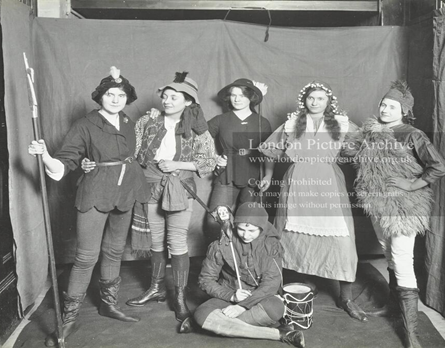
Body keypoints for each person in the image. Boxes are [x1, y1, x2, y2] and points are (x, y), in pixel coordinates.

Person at [28, 67, 151, 346]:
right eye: (110, 94)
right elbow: (67, 160)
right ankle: (68, 319)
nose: (116, 99)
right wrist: (46, 155)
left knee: (115, 250)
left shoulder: (128, 122)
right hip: (95, 191)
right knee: (86, 257)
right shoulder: (85, 124)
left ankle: (109, 304)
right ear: (100, 97)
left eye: (121, 95)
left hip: (127, 189)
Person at [340, 81, 445, 348]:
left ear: (404, 110)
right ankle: (391, 307)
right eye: (383, 104)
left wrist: (412, 184)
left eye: (392, 106)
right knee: (387, 251)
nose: (385, 109)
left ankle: (411, 333)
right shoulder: (371, 131)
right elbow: (355, 157)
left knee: (402, 259)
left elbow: (440, 166)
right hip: (377, 203)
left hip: (403, 205)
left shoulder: (412, 134)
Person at [259, 81, 368, 321]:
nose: (315, 102)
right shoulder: (291, 123)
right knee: (291, 237)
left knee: (341, 241)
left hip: (329, 183)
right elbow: (270, 149)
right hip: (297, 183)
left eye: (320, 98)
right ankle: (295, 284)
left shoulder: (342, 124)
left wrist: (365, 177)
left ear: (329, 102)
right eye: (311, 98)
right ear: (304, 100)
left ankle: (346, 297)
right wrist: (268, 175)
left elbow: (364, 148)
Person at [124, 72, 217, 322]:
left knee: (176, 242)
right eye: (164, 96)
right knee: (156, 241)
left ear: (187, 102)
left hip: (179, 186)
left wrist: (179, 164)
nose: (166, 101)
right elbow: (132, 152)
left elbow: (209, 162)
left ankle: (178, 295)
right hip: (150, 184)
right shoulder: (147, 121)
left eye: (173, 97)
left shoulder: (198, 130)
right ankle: (155, 289)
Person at [179, 202, 305, 348]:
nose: (246, 235)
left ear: (262, 228)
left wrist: (243, 306)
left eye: (252, 231)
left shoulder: (271, 245)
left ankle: (206, 325)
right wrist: (231, 296)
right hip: (229, 296)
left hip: (261, 297)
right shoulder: (222, 244)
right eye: (241, 229)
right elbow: (205, 280)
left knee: (276, 309)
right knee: (202, 313)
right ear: (235, 225)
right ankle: (281, 334)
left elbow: (271, 283)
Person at [206, 79, 274, 238]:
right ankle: (220, 258)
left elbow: (269, 152)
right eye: (233, 95)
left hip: (253, 175)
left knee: (249, 222)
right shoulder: (220, 120)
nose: (237, 99)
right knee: (216, 220)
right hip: (227, 174)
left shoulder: (262, 123)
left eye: (242, 95)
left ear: (251, 98)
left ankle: (245, 259)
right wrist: (214, 158)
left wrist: (269, 176)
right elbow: (199, 140)